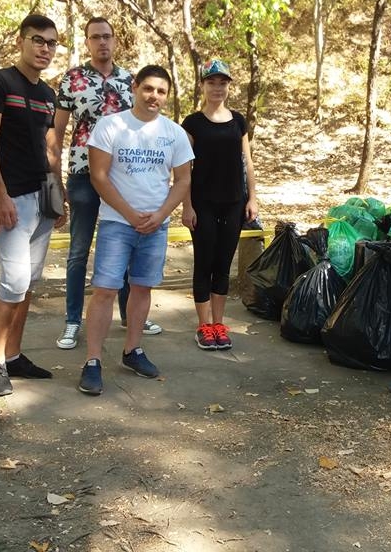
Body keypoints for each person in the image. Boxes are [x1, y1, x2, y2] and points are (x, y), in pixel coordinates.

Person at [77, 65, 193, 395]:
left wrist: (161, 215)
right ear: (135, 88)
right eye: (148, 88)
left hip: (156, 226)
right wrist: (129, 214)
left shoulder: (174, 133)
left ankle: (132, 350)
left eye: (161, 91)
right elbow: (99, 176)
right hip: (117, 223)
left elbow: (183, 179)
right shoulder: (111, 125)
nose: (154, 96)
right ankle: (93, 361)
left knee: (142, 288)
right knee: (105, 290)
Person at [53, 17, 161, 350]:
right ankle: (73, 320)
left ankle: (130, 315)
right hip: (84, 174)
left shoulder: (130, 80)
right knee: (79, 250)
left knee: (127, 245)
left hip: (123, 176)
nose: (102, 42)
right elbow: (57, 133)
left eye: (107, 36)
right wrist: (56, 181)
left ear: (115, 41)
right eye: (95, 37)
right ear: (86, 41)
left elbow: (143, 125)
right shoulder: (72, 79)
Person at [0, 14, 65, 396]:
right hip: (12, 199)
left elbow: (50, 149)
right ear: (20, 41)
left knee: (28, 283)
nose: (45, 48)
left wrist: (58, 195)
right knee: (13, 283)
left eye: (51, 43)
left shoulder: (48, 95)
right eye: (38, 40)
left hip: (42, 199)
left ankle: (13, 355)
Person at [181, 60, 258, 351]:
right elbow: (183, 168)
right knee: (205, 262)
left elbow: (247, 162)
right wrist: (186, 206)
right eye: (211, 82)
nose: (217, 88)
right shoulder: (192, 123)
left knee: (223, 265)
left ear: (228, 87)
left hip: (234, 202)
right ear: (202, 85)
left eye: (222, 83)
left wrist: (253, 197)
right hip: (203, 203)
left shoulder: (238, 121)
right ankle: (203, 325)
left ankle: (218, 324)